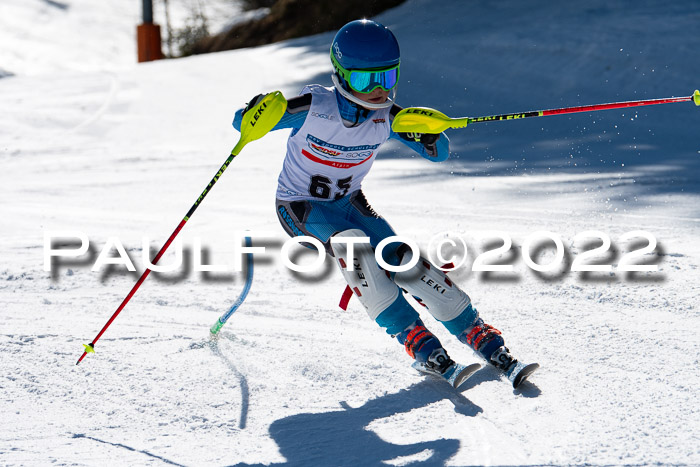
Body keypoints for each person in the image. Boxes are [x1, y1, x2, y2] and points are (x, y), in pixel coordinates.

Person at [233, 19, 524, 382]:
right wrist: (257, 113)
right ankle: (416, 339)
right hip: (299, 207)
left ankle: (476, 331)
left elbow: (440, 153)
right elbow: (240, 125)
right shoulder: (312, 106)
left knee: (400, 258)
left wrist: (428, 132)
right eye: (363, 80)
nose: (375, 91)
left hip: (349, 203)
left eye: (385, 79)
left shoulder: (389, 115)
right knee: (356, 251)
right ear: (340, 75)